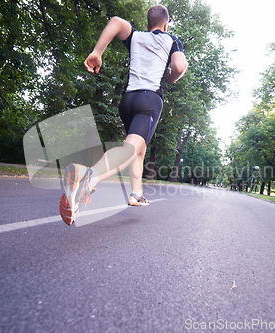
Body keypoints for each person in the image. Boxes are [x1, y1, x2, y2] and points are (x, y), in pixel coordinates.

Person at [59, 4, 188, 225]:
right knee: (130, 149)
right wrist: (171, 78)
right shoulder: (171, 40)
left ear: (148, 25)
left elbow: (116, 21)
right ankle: (89, 176)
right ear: (165, 25)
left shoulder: (137, 36)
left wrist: (97, 52)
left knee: (138, 148)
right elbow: (179, 65)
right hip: (150, 101)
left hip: (128, 100)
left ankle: (136, 194)